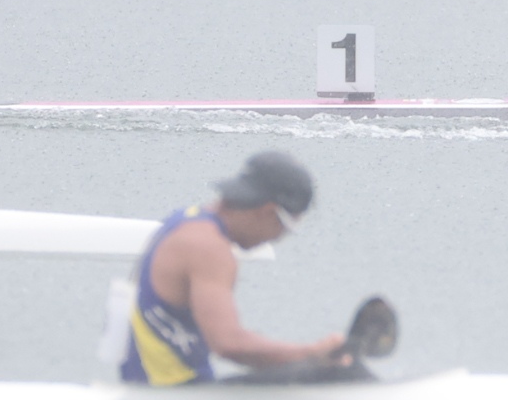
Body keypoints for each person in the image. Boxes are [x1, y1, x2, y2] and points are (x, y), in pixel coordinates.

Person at [119, 151, 346, 386]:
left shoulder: (186, 220)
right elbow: (229, 344)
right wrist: (312, 354)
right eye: (287, 228)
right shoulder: (208, 248)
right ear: (268, 212)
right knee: (338, 375)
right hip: (173, 396)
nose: (278, 239)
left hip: (152, 389)